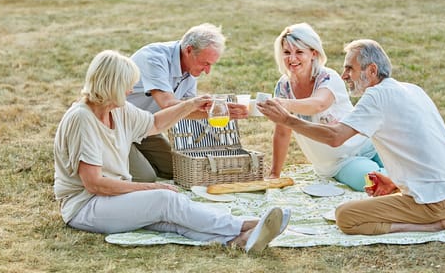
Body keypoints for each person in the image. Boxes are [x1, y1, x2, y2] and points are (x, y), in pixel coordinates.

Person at [53, 50, 289, 252]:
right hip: (85, 206)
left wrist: (190, 105)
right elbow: (95, 184)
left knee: (172, 217)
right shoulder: (82, 119)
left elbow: (154, 124)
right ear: (111, 85)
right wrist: (151, 187)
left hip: (112, 198)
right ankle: (244, 225)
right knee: (165, 199)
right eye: (127, 85)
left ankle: (237, 241)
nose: (130, 90)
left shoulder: (118, 110)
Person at [258, 39, 445, 235]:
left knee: (345, 216)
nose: (344, 75)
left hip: (436, 202)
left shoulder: (376, 97)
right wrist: (394, 183)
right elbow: (424, 147)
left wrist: (287, 119)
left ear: (371, 70)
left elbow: (335, 137)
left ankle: (431, 224)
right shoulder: (412, 89)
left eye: (350, 68)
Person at [268, 23, 384, 191]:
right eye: (287, 52)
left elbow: (318, 104)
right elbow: (282, 132)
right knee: (374, 182)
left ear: (313, 53)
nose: (292, 59)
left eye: (299, 52)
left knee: (406, 169)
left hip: (368, 143)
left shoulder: (327, 77)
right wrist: (274, 174)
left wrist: (283, 104)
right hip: (339, 162)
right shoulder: (283, 87)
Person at [126, 23, 248, 182]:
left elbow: (185, 112)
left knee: (177, 169)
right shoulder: (154, 58)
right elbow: (168, 105)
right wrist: (199, 104)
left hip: (146, 126)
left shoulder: (190, 68)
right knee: (145, 177)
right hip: (117, 125)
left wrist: (220, 112)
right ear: (189, 50)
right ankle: (108, 161)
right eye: (205, 63)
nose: (207, 71)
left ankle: (132, 159)